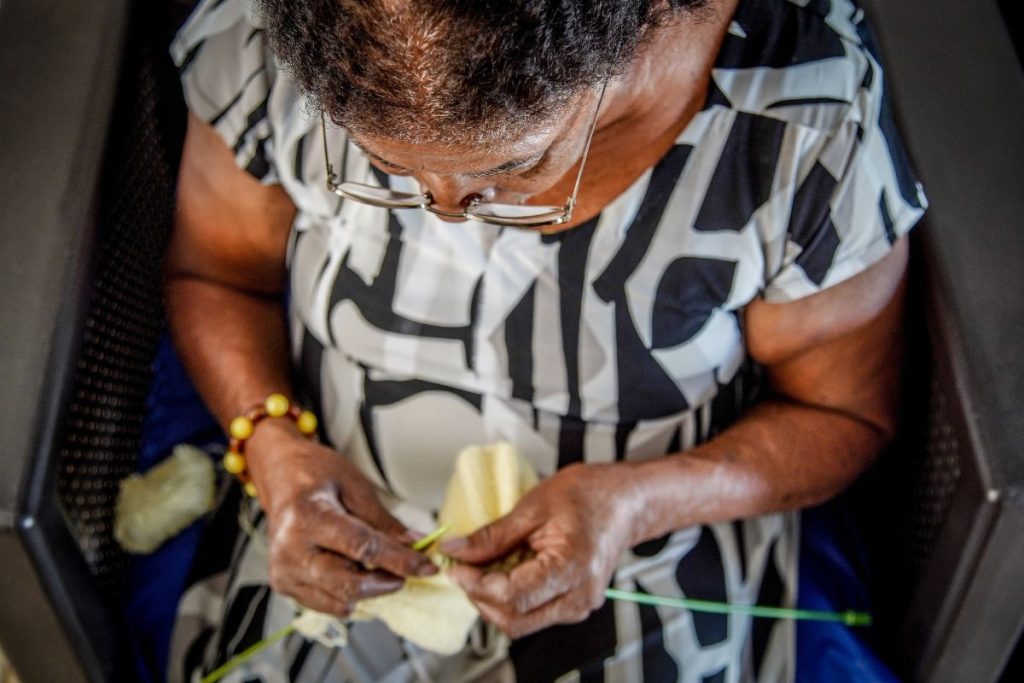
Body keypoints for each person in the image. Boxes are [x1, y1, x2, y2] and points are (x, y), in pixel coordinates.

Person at [165, 0, 926, 680]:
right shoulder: (268, 39)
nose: (444, 213)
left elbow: (843, 413)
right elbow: (219, 276)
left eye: (513, 166)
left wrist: (635, 503)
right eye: (386, 165)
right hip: (331, 512)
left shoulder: (800, 128)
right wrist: (270, 445)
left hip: (646, 542)